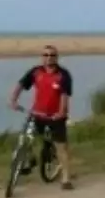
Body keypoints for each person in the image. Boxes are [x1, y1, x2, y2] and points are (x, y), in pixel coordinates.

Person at [8, 45, 74, 190]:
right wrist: (13, 100)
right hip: (37, 113)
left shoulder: (63, 75)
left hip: (56, 116)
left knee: (60, 146)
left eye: (52, 55)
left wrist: (61, 112)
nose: (49, 58)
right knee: (26, 136)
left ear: (56, 57)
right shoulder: (35, 72)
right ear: (42, 57)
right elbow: (21, 84)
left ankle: (66, 178)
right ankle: (28, 160)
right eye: (45, 55)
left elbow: (64, 95)